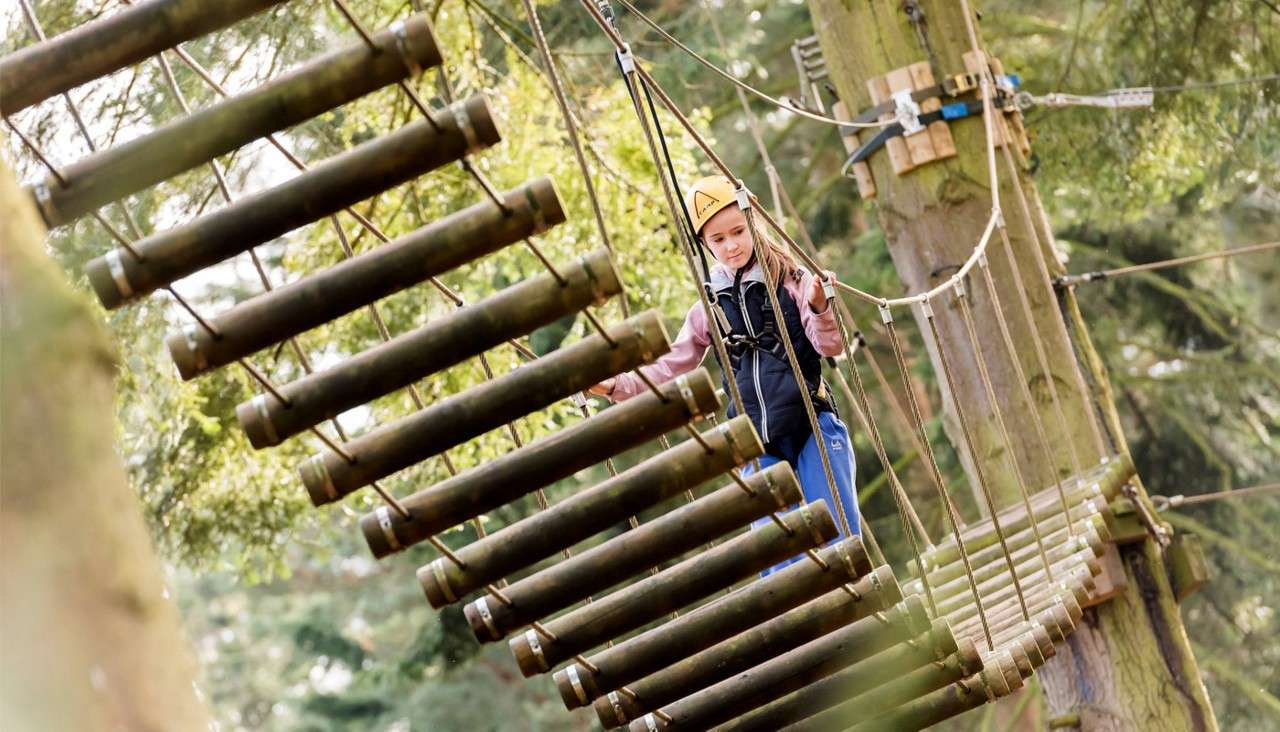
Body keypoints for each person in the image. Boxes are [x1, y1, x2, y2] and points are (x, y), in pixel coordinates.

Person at [589, 175, 860, 566]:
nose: (731, 245)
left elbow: (830, 346)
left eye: (738, 231)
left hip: (812, 427)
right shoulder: (708, 309)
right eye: (718, 240)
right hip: (755, 445)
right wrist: (615, 384)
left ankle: (866, 615)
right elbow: (669, 366)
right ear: (705, 245)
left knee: (837, 538)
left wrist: (820, 306)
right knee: (780, 560)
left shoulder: (792, 282)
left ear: (755, 225)